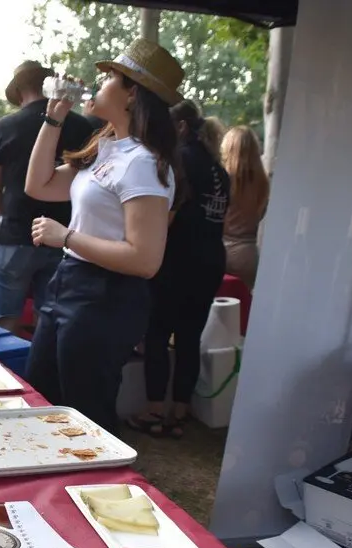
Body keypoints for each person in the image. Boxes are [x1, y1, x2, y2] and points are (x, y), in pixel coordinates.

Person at [23, 39, 183, 435]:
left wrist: (68, 237)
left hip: (106, 296)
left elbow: (145, 261)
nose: (100, 81)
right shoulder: (109, 147)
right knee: (43, 401)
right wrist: (53, 118)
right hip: (70, 285)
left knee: (84, 418)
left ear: (132, 94)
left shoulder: (144, 163)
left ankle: (91, 493)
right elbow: (38, 185)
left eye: (111, 76)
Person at [132, 99, 230, 439]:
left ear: (182, 128)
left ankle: (156, 409)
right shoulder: (220, 169)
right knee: (190, 337)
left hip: (177, 261)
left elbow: (166, 215)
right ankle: (181, 410)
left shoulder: (180, 162)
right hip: (210, 260)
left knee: (157, 334)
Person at [0, 60, 93, 335]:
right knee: (51, 322)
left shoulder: (7, 125)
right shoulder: (82, 126)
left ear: (19, 90)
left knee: (3, 322)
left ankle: (7, 376)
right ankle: (40, 379)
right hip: (65, 237)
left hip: (16, 234)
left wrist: (5, 211)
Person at [222, 125, 269, 290]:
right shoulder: (263, 183)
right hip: (249, 255)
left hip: (224, 251)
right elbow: (261, 213)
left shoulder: (224, 179)